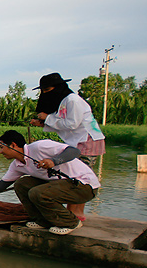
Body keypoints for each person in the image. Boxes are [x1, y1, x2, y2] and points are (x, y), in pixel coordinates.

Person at [0, 130, 100, 234]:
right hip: (60, 187)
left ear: (13, 145)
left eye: (1, 147)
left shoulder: (40, 146)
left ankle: (70, 222)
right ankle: (43, 221)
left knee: (38, 192)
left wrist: (53, 161)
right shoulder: (17, 165)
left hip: (84, 186)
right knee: (21, 184)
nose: (0, 152)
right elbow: (3, 184)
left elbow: (74, 151)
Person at [29, 73, 105, 219]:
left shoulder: (72, 100)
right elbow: (63, 123)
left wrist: (48, 118)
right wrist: (44, 123)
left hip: (86, 140)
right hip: (76, 141)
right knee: (72, 175)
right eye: (43, 91)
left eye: (47, 90)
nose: (45, 93)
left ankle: (77, 213)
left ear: (57, 87)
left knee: (81, 176)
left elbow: (72, 123)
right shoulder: (63, 101)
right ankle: (72, 211)